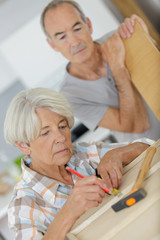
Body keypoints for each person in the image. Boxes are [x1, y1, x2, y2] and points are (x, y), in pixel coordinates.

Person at [4, 87, 154, 240]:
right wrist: (69, 211)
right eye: (46, 133)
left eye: (62, 126)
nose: (61, 138)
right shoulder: (23, 204)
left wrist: (118, 154)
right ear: (24, 145)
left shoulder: (82, 153)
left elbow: (150, 148)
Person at [40, 0, 160, 142]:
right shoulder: (71, 97)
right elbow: (138, 125)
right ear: (52, 44)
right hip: (150, 155)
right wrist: (118, 70)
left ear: (88, 25)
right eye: (62, 37)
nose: (74, 42)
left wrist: (146, 38)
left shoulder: (121, 38)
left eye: (77, 29)